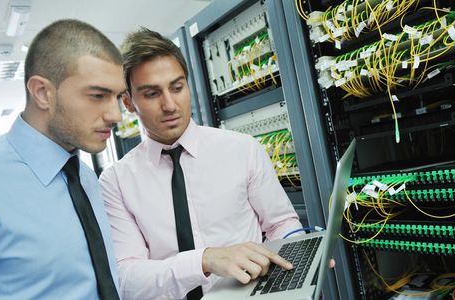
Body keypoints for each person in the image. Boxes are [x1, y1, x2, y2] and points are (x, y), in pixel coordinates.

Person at [99, 28, 304, 299]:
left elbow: (280, 224)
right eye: (152, 94)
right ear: (128, 102)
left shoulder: (242, 149)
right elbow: (127, 279)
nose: (170, 105)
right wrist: (204, 261)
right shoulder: (116, 182)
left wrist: (301, 252)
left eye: (177, 87)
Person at [0, 19, 126, 299]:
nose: (115, 115)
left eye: (117, 97)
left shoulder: (84, 177)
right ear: (43, 93)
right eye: (97, 95)